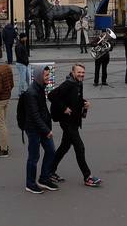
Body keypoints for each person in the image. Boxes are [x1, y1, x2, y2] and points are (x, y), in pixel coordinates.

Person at [48, 63, 101, 187]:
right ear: (72, 72)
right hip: (67, 122)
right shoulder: (68, 84)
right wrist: (64, 108)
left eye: (83, 72)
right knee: (80, 147)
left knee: (64, 147)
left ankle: (49, 171)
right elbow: (51, 96)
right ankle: (87, 176)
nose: (81, 74)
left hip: (74, 121)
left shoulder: (78, 83)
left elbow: (77, 99)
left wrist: (84, 102)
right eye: (79, 72)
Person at [23, 65, 57, 194]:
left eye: (49, 75)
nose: (49, 77)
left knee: (51, 151)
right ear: (38, 76)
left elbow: (42, 111)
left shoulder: (40, 88)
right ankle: (30, 183)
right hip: (34, 129)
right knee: (34, 156)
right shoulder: (31, 92)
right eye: (46, 75)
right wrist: (47, 130)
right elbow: (35, 115)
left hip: (42, 127)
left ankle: (44, 178)